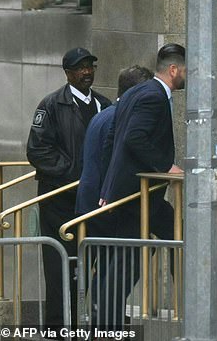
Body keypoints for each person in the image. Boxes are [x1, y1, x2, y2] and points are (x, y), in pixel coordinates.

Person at [97, 43, 185, 329]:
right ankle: (107, 325)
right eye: (186, 70)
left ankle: (107, 321)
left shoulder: (136, 92)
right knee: (129, 259)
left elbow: (114, 138)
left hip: (132, 192)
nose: (188, 76)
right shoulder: (154, 96)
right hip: (136, 194)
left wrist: (108, 188)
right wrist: (166, 166)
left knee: (172, 233)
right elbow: (134, 138)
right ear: (173, 70)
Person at [26, 47, 112, 330]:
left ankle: (87, 324)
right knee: (59, 266)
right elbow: (38, 151)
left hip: (93, 201)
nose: (87, 72)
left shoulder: (104, 104)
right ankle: (58, 327)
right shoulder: (52, 105)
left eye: (90, 66)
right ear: (68, 73)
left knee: (90, 265)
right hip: (60, 201)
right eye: (80, 67)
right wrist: (76, 174)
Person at [75, 65, 154, 236]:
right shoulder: (120, 118)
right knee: (122, 257)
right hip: (106, 202)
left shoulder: (104, 114)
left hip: (92, 199)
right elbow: (110, 157)